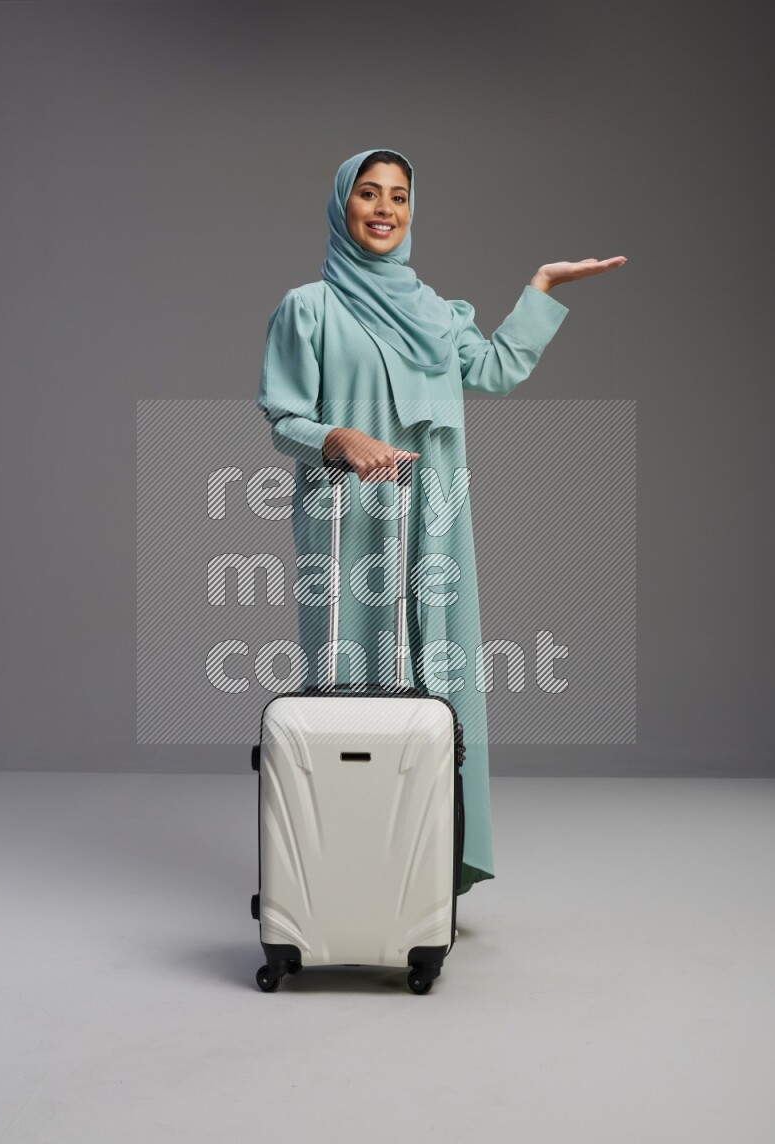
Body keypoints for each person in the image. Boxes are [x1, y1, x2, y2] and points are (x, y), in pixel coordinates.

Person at [257, 147, 627, 896]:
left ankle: (428, 865)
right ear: (342, 205)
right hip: (349, 518)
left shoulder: (436, 312)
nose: (385, 208)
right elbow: (281, 416)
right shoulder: (310, 309)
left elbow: (492, 371)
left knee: (442, 677)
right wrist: (337, 438)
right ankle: (346, 874)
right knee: (349, 675)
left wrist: (542, 289)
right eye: (368, 193)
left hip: (435, 516)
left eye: (398, 195)